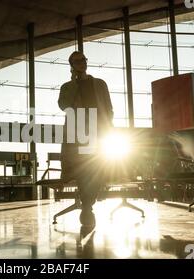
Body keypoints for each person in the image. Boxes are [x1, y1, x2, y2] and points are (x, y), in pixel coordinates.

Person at [58, 51, 113, 228]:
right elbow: (64, 105)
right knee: (85, 168)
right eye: (77, 61)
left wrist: (108, 126)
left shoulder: (100, 84)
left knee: (97, 166)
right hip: (79, 130)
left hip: (99, 130)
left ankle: (88, 204)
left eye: (84, 59)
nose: (82, 62)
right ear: (71, 65)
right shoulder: (67, 86)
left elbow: (109, 107)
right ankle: (88, 206)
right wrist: (75, 82)